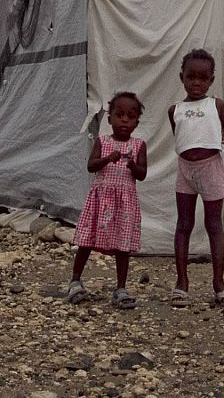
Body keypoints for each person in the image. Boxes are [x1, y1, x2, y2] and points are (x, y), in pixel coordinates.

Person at [168, 48, 224, 306]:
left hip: (210, 168)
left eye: (202, 78)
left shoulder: (215, 104)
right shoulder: (174, 110)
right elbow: (182, 136)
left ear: (211, 79)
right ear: (182, 77)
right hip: (185, 169)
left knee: (214, 225)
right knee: (183, 224)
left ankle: (219, 283)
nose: (196, 82)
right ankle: (181, 283)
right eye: (190, 77)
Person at [66, 92, 147, 309]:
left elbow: (142, 174)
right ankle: (75, 280)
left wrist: (132, 165)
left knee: (122, 247)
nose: (124, 120)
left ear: (136, 123)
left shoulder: (138, 145)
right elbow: (90, 166)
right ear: (109, 118)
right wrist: (106, 159)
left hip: (124, 203)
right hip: (101, 200)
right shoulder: (103, 141)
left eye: (130, 117)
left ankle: (121, 287)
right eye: (119, 115)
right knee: (87, 240)